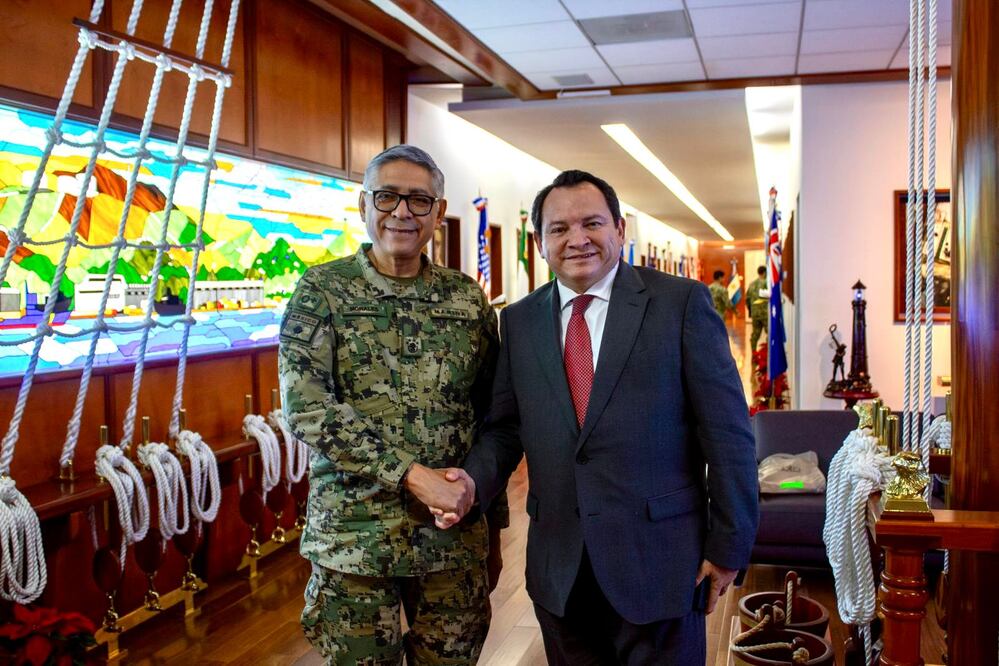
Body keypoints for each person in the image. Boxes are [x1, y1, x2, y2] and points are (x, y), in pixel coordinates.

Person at [435, 170, 758, 664]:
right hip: (558, 568)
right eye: (559, 229)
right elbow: (505, 428)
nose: (577, 239)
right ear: (540, 242)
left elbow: (729, 436)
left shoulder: (679, 305)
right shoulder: (519, 321)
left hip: (661, 562)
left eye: (592, 223)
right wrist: (471, 483)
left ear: (619, 230)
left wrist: (729, 544)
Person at [279, 144, 505, 664]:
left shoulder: (467, 299)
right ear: (363, 205)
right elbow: (308, 408)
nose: (401, 212)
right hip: (354, 542)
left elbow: (493, 418)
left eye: (418, 200)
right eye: (387, 197)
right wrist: (411, 474)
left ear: (437, 213)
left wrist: (494, 529)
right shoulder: (322, 291)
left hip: (452, 539)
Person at [747, 265, 769, 352]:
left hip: (755, 313)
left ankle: (753, 353)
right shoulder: (766, 283)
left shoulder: (752, 284)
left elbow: (747, 299)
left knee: (755, 334)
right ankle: (767, 353)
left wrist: (751, 310)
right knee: (770, 334)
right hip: (765, 313)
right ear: (764, 273)